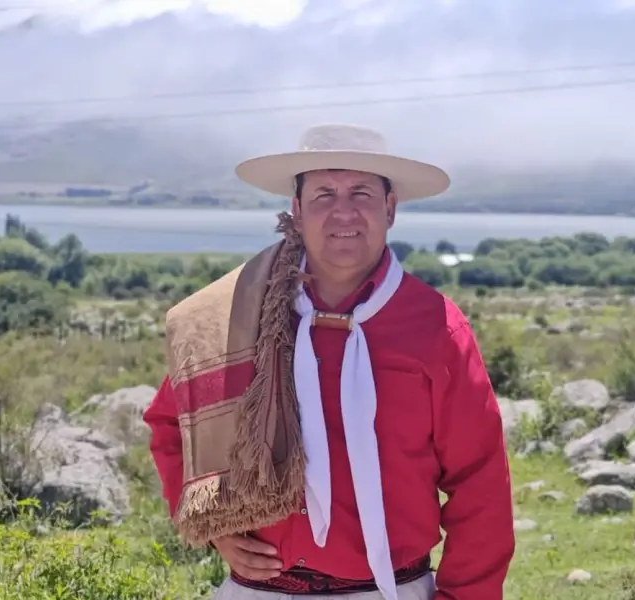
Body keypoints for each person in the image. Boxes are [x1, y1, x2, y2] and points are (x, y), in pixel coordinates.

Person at [143, 123, 515, 600]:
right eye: (323, 194)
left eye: (361, 192)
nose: (344, 211)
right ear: (296, 211)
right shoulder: (238, 315)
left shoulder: (436, 328)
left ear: (391, 208)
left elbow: (480, 483)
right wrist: (214, 526)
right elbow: (172, 423)